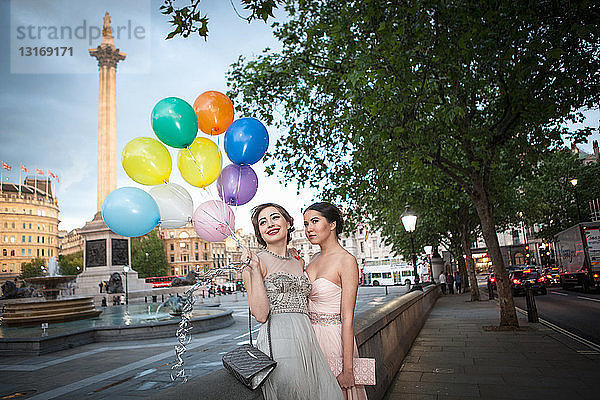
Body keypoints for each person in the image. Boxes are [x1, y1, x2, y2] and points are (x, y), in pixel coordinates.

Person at [242, 203, 344, 400]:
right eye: (262, 222)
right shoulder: (255, 263)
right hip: (279, 342)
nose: (269, 224)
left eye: (275, 218)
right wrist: (254, 270)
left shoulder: (297, 262)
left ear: (288, 223)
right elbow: (261, 314)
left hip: (308, 338)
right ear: (259, 232)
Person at [302, 202, 368, 400]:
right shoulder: (311, 259)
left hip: (332, 341)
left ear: (332, 224)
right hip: (308, 340)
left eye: (315, 221)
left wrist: (348, 370)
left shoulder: (346, 261)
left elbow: (347, 318)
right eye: (305, 224)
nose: (308, 229)